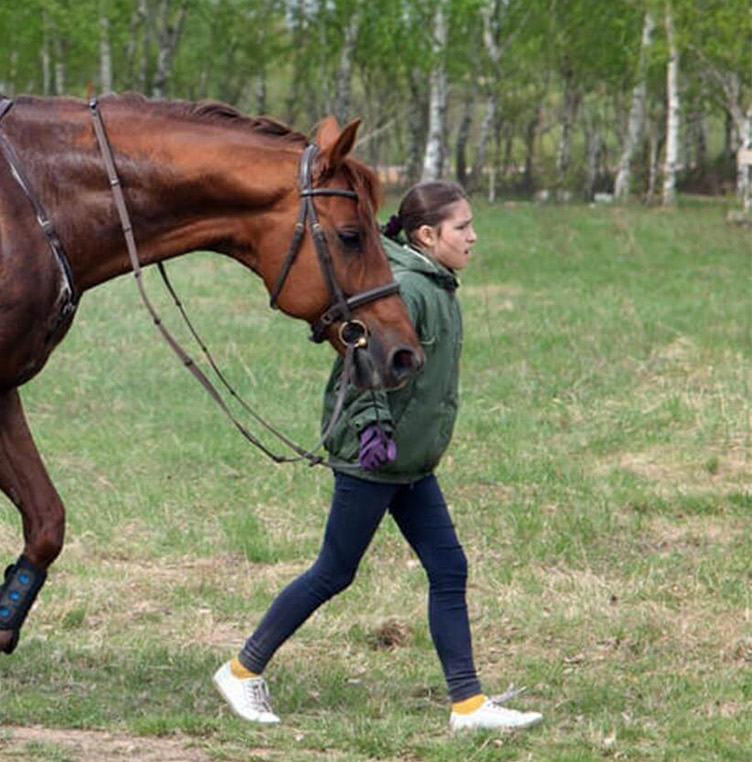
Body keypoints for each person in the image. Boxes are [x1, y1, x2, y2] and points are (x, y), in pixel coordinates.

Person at [211, 181, 543, 731]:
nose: (473, 237)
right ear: (427, 235)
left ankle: (468, 705)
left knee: (448, 568)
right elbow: (360, 361)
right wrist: (372, 430)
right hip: (375, 461)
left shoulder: (435, 283)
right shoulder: (407, 288)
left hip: (409, 464)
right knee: (333, 571)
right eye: (462, 227)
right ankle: (241, 671)